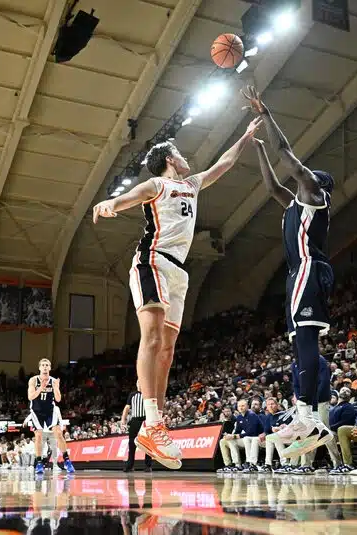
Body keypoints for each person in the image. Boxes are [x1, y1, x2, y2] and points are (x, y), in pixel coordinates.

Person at [92, 112, 264, 469]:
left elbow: (224, 164)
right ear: (170, 158)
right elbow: (132, 196)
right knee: (153, 337)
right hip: (152, 260)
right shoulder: (157, 184)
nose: (186, 158)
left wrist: (246, 135)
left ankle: (155, 426)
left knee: (168, 350)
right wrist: (111, 203)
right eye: (180, 153)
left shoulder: (193, 184)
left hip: (178, 272)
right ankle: (152, 422)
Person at [245, 85, 335, 457]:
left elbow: (287, 154)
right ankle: (308, 418)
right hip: (298, 274)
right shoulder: (294, 204)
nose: (301, 178)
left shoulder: (314, 194)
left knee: (307, 342)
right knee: (300, 346)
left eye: (306, 176)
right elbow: (271, 187)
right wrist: (258, 148)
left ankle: (310, 418)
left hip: (309, 269)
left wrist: (266, 116)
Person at [27, 358, 74, 474]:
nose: (45, 367)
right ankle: (39, 463)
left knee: (58, 433)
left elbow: (58, 399)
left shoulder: (53, 381)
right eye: (43, 365)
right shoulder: (33, 380)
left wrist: (56, 388)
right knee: (38, 435)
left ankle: (67, 461)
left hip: (50, 411)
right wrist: (41, 388)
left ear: (50, 368)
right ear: (39, 368)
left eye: (47, 365)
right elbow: (30, 397)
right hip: (37, 411)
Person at [121, 380, 151, 472]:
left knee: (148, 443)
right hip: (135, 420)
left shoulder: (148, 394)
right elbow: (127, 407)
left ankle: (148, 465)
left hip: (146, 420)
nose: (140, 384)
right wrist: (123, 420)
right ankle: (130, 465)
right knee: (131, 443)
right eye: (139, 382)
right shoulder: (132, 394)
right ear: (137, 384)